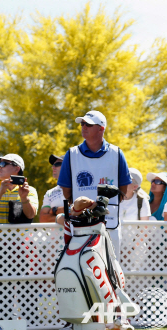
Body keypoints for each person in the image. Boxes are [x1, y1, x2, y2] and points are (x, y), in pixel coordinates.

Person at [58, 110, 132, 260]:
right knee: (80, 267)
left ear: (101, 128)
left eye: (89, 124)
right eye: (82, 123)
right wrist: (81, 206)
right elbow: (66, 190)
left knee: (111, 269)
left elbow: (124, 189)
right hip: (80, 222)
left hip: (109, 222)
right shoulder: (72, 154)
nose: (83, 127)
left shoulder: (116, 153)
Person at [0, 154, 38, 224]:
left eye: (3, 164)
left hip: (21, 235)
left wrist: (24, 198)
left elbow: (30, 215)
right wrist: (0, 192)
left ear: (17, 169)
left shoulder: (29, 190)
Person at [39, 154, 66, 223]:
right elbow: (43, 219)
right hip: (55, 234)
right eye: (53, 165)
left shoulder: (79, 188)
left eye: (57, 164)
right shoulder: (49, 193)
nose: (53, 167)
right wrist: (59, 218)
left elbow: (78, 211)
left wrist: (53, 210)